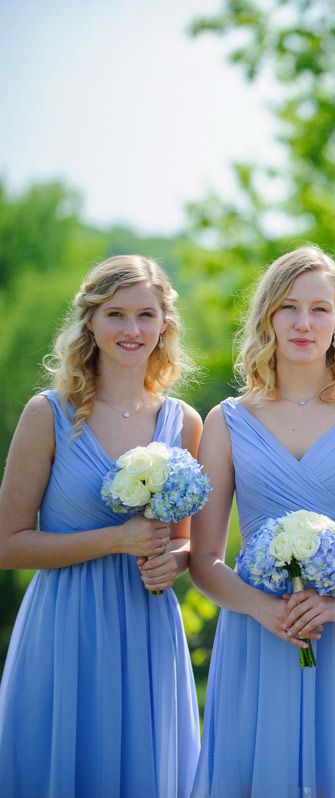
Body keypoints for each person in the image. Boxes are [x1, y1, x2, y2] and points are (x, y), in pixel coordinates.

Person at [189, 246, 335, 797]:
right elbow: (204, 559)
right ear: (268, 316)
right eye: (289, 307)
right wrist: (265, 610)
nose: (303, 322)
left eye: (319, 308)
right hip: (259, 633)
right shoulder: (228, 420)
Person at [0, 255, 201, 796]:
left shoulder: (183, 422)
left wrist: (173, 562)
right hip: (67, 624)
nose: (131, 330)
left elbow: (186, 542)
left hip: (147, 626)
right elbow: (7, 544)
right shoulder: (49, 414)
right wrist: (115, 539)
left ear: (165, 324)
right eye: (115, 314)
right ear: (89, 321)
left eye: (145, 315)